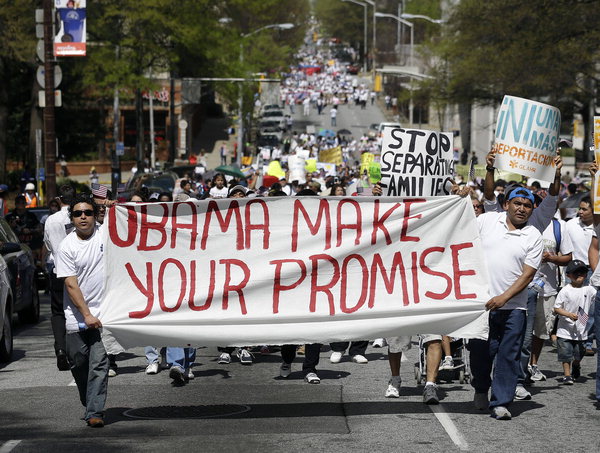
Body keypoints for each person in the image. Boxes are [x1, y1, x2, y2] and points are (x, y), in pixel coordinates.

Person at [469, 186, 543, 420]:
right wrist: (460, 195)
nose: (522, 208)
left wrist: (504, 298)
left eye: (527, 205)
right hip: (483, 305)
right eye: (517, 203)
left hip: (514, 308)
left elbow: (527, 275)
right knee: (481, 352)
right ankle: (481, 388)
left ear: (532, 210)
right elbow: (459, 226)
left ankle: (501, 401)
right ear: (506, 205)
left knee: (508, 356)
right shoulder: (487, 221)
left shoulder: (534, 236)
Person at [55, 194, 110, 427]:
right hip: (76, 317)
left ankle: (94, 411)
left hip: (106, 315)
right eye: (78, 213)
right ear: (73, 218)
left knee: (99, 364)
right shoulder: (66, 246)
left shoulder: (106, 235)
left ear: (94, 214)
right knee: (79, 363)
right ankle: (89, 400)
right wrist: (86, 314)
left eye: (88, 212)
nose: (83, 217)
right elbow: (70, 283)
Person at [43, 185, 76, 371]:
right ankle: (75, 350)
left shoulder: (51, 220)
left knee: (58, 312)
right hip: (78, 272)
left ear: (59, 199)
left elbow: (48, 244)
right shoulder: (80, 215)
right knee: (77, 308)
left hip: (57, 270)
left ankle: (61, 349)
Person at [553, 260, 596, 384]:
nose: (579, 275)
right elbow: (557, 308)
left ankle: (576, 365)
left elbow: (596, 297)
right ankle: (567, 375)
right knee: (565, 353)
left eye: (582, 272)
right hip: (565, 329)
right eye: (575, 272)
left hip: (581, 329)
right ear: (568, 275)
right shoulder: (565, 290)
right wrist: (568, 314)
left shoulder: (589, 290)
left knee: (579, 352)